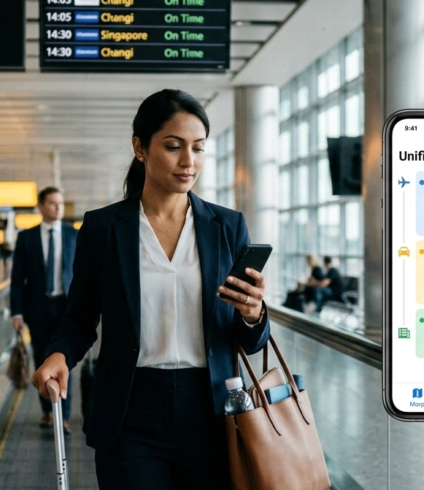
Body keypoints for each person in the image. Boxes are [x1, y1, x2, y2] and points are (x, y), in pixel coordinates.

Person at [32, 89, 271, 489]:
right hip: (130, 410)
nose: (188, 161)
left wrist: (253, 314)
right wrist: (59, 355)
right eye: (174, 147)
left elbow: (251, 341)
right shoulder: (103, 229)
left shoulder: (227, 227)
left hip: (212, 409)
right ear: (139, 148)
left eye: (198, 148)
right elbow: (80, 316)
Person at [10, 186, 78, 433]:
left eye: (60, 203)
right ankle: (48, 412)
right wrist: (16, 312)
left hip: (66, 308)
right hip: (37, 308)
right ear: (40, 206)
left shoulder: (73, 235)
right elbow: (18, 278)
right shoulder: (26, 238)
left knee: (64, 361)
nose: (58, 207)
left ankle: (64, 416)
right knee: (42, 359)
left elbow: (82, 275)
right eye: (52, 203)